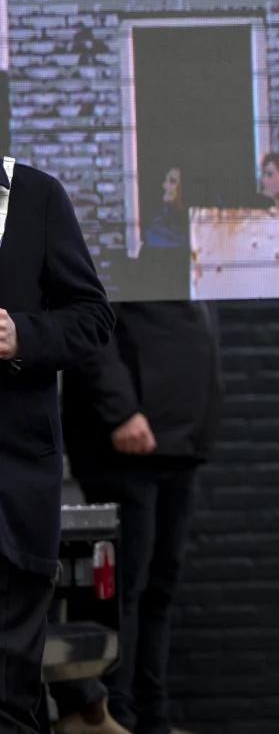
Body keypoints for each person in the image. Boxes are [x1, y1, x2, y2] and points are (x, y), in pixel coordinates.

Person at [58, 301, 224, 734]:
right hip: (125, 445)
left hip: (180, 442)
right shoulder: (118, 241)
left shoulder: (187, 252)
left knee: (158, 589)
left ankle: (151, 718)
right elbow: (89, 323)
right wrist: (119, 410)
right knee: (122, 590)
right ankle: (111, 715)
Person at [0, 155, 116, 731]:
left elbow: (93, 317)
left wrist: (21, 333)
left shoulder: (36, 196)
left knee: (10, 687)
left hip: (12, 489)